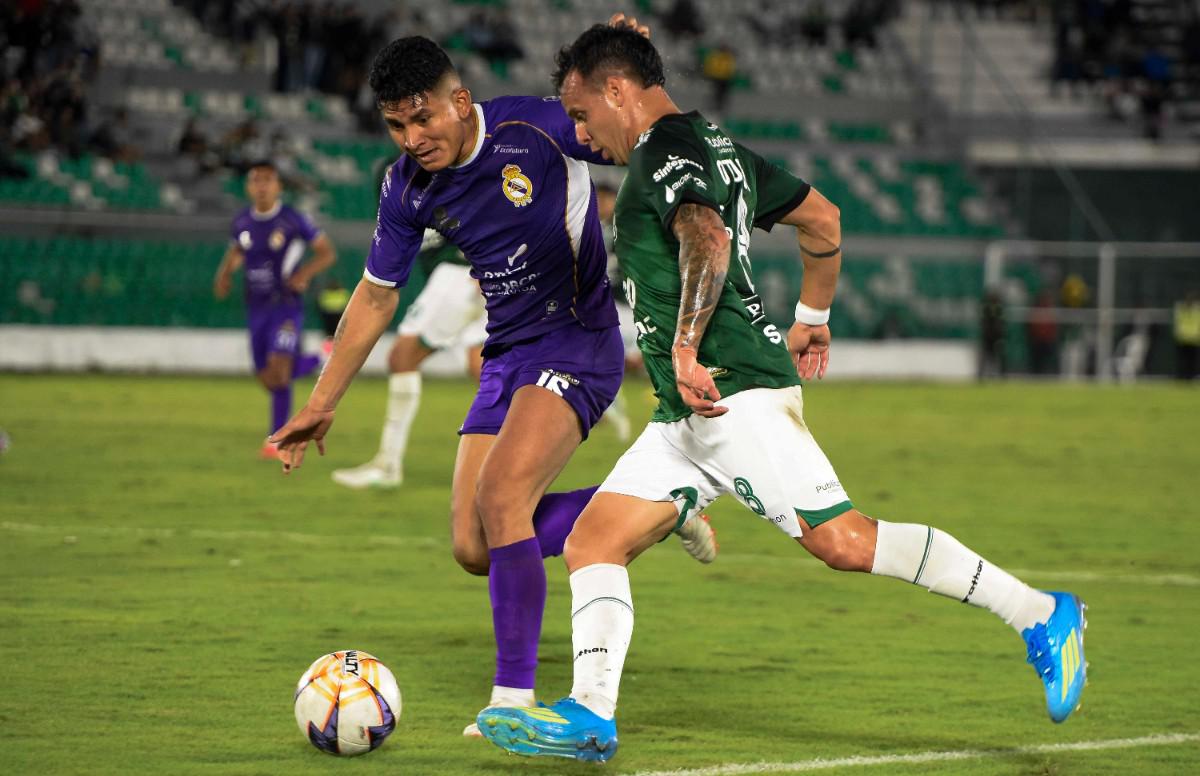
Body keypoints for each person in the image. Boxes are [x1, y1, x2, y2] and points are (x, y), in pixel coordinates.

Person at [476, 24, 1089, 763]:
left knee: (844, 541)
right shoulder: (717, 146)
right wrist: (813, 318)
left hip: (733, 394)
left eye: (581, 114)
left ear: (616, 90)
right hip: (688, 412)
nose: (580, 132)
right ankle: (590, 716)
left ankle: (1040, 613)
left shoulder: (661, 155)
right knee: (594, 540)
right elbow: (823, 219)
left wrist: (683, 345)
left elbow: (707, 239)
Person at [266, 30, 717, 736]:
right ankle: (662, 501)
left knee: (502, 496)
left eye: (422, 118)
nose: (411, 137)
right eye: (395, 124)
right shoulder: (404, 186)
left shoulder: (533, 127)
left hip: (577, 338)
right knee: (473, 546)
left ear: (460, 101)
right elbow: (377, 294)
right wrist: (321, 404)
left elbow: (650, 137)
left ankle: (512, 703)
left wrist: (630, 75)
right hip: (507, 352)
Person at [331, 230, 487, 489]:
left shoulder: (400, 188)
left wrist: (484, 259)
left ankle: (388, 465)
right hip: (478, 270)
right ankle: (522, 454)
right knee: (482, 366)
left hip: (459, 271)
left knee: (403, 357)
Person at [214, 160, 336, 459]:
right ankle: (321, 357)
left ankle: (277, 438)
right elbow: (236, 251)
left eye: (268, 180)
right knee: (266, 376)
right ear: (248, 186)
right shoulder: (242, 221)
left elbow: (326, 253)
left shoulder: (293, 220)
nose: (262, 186)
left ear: (279, 186)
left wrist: (302, 275)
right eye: (256, 180)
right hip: (256, 306)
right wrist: (224, 275)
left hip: (285, 305)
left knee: (280, 372)